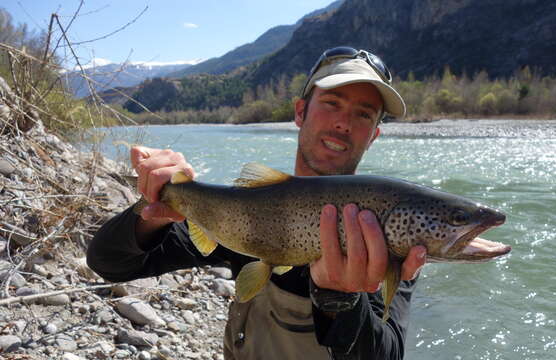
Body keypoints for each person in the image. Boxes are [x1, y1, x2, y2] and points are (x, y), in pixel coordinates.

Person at [87, 46, 427, 360]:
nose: (344, 123)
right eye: (332, 103)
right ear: (300, 111)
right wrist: (155, 206)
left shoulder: (387, 237)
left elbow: (387, 353)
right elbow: (110, 263)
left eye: (364, 115)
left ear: (374, 136)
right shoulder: (245, 209)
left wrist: (341, 299)